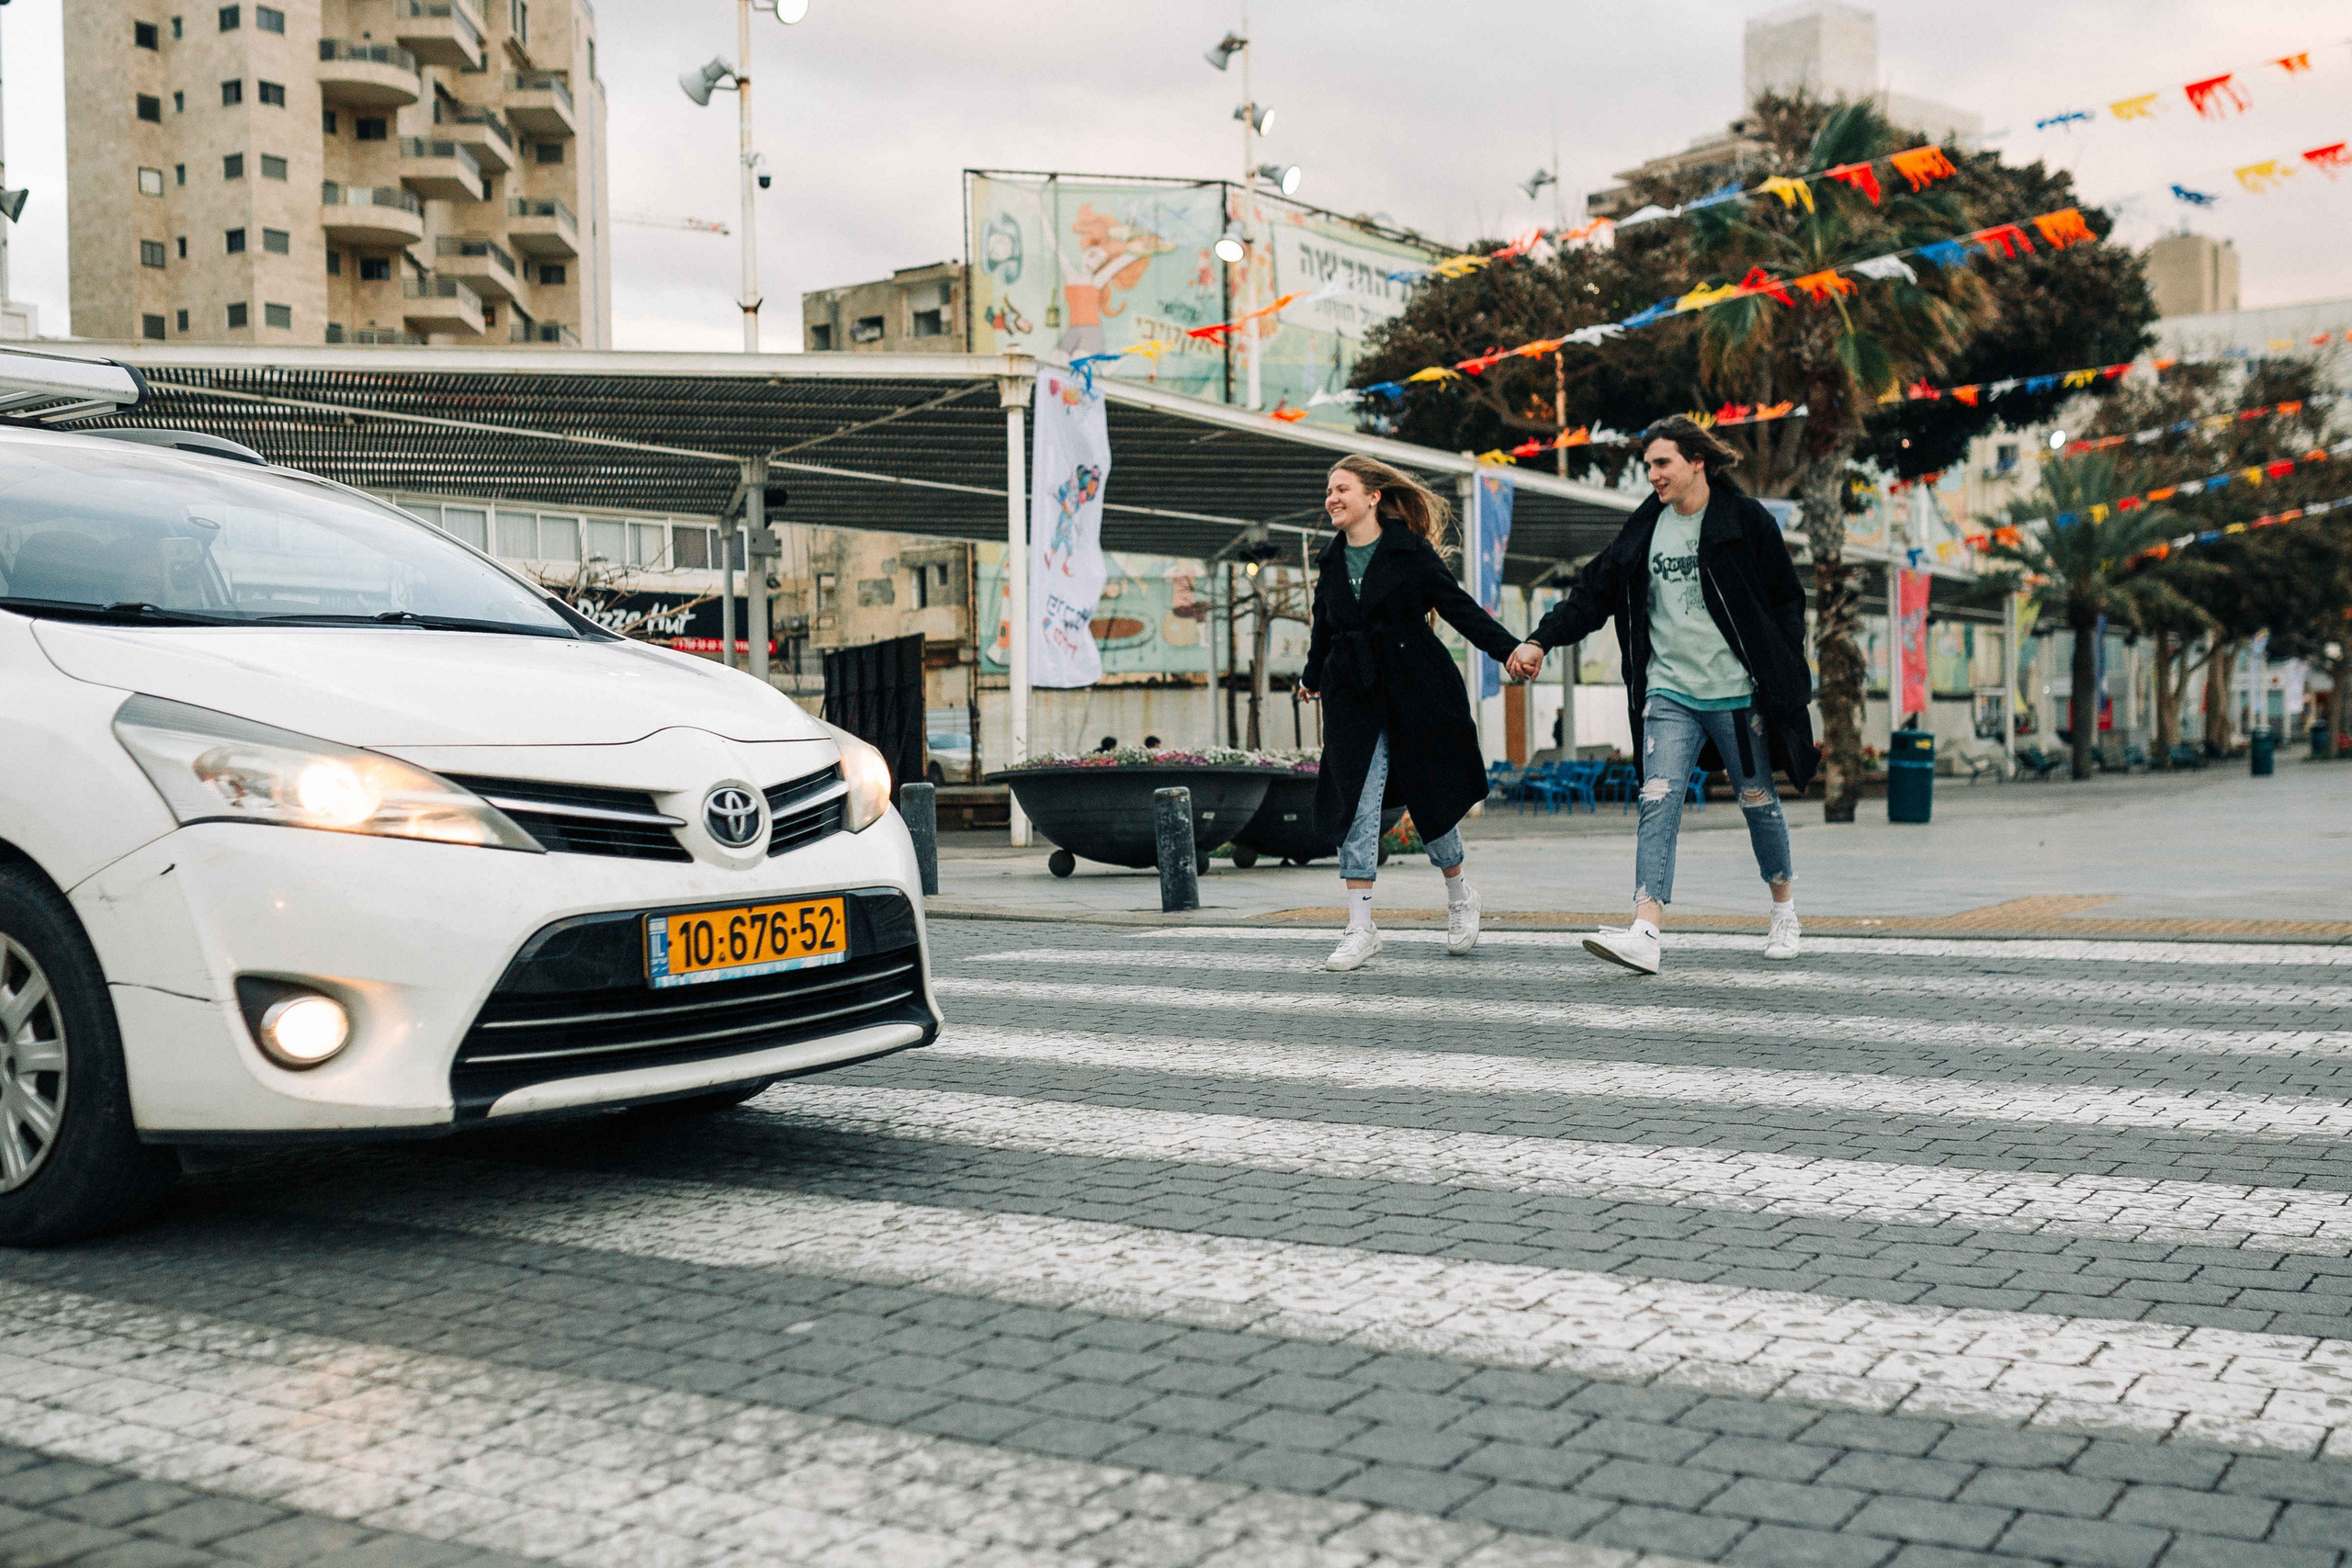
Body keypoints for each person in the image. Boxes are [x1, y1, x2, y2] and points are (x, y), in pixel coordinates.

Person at [1503, 417, 1815, 973]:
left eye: (1662, 463)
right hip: (1669, 692)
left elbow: (1787, 598)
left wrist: (1783, 664)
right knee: (1658, 798)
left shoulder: (1744, 521)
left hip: (1737, 694)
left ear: (1697, 461)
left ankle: (1784, 909)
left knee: (1757, 801)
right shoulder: (1645, 529)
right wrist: (1540, 639)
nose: (1653, 475)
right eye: (1648, 465)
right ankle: (1645, 930)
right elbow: (1592, 592)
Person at [1298, 455, 1524, 972]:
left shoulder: (1409, 551)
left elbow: (1460, 608)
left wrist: (1509, 650)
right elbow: (1323, 627)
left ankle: (1461, 894)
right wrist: (1312, 678)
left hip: (1414, 689)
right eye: (1329, 490)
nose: (1332, 498)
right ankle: (1361, 928)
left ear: (1373, 496)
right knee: (1355, 802)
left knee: (1430, 799)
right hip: (1353, 696)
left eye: (1342, 489)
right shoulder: (1332, 560)